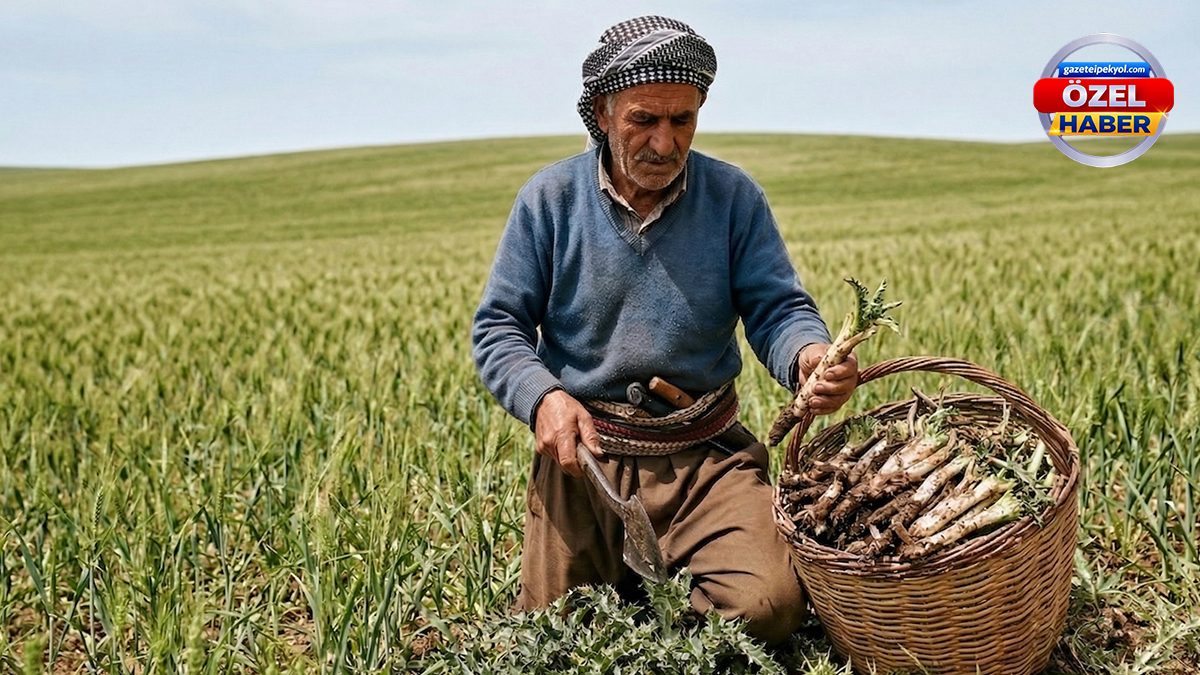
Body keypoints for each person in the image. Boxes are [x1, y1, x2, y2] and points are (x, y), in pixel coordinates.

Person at [471, 15, 857, 645]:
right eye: (643, 120)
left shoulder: (733, 197)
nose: (664, 142)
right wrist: (544, 397)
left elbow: (776, 307)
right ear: (602, 113)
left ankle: (668, 596)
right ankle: (642, 597)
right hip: (586, 462)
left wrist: (808, 354)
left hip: (704, 457)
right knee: (557, 636)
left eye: (682, 120)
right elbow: (499, 327)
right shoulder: (549, 200)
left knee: (769, 608)